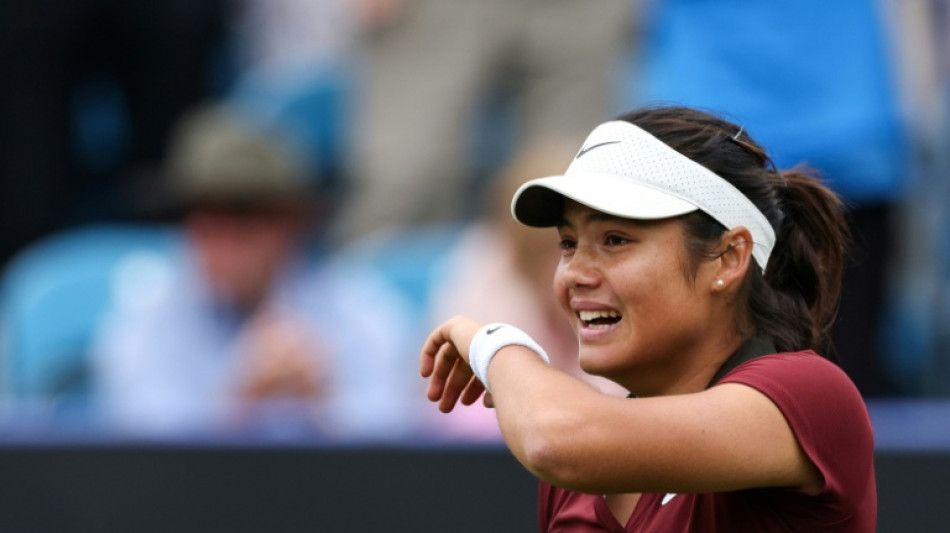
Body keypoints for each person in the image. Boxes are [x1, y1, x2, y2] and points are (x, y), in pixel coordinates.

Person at [420, 106, 875, 530]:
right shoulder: (575, 476)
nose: (574, 274)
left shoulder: (810, 393)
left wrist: (493, 344)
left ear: (728, 258)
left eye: (616, 240)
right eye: (568, 243)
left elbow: (553, 439)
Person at [90, 103, 422, 440]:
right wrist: (238, 401)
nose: (225, 239)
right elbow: (142, 464)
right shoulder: (148, 318)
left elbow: (400, 448)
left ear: (294, 223)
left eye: (248, 216)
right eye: (206, 217)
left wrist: (325, 404)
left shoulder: (360, 309)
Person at [422, 136, 627, 441]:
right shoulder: (479, 276)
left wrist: (495, 355)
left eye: (609, 242)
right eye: (565, 246)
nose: (574, 274)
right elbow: (464, 422)